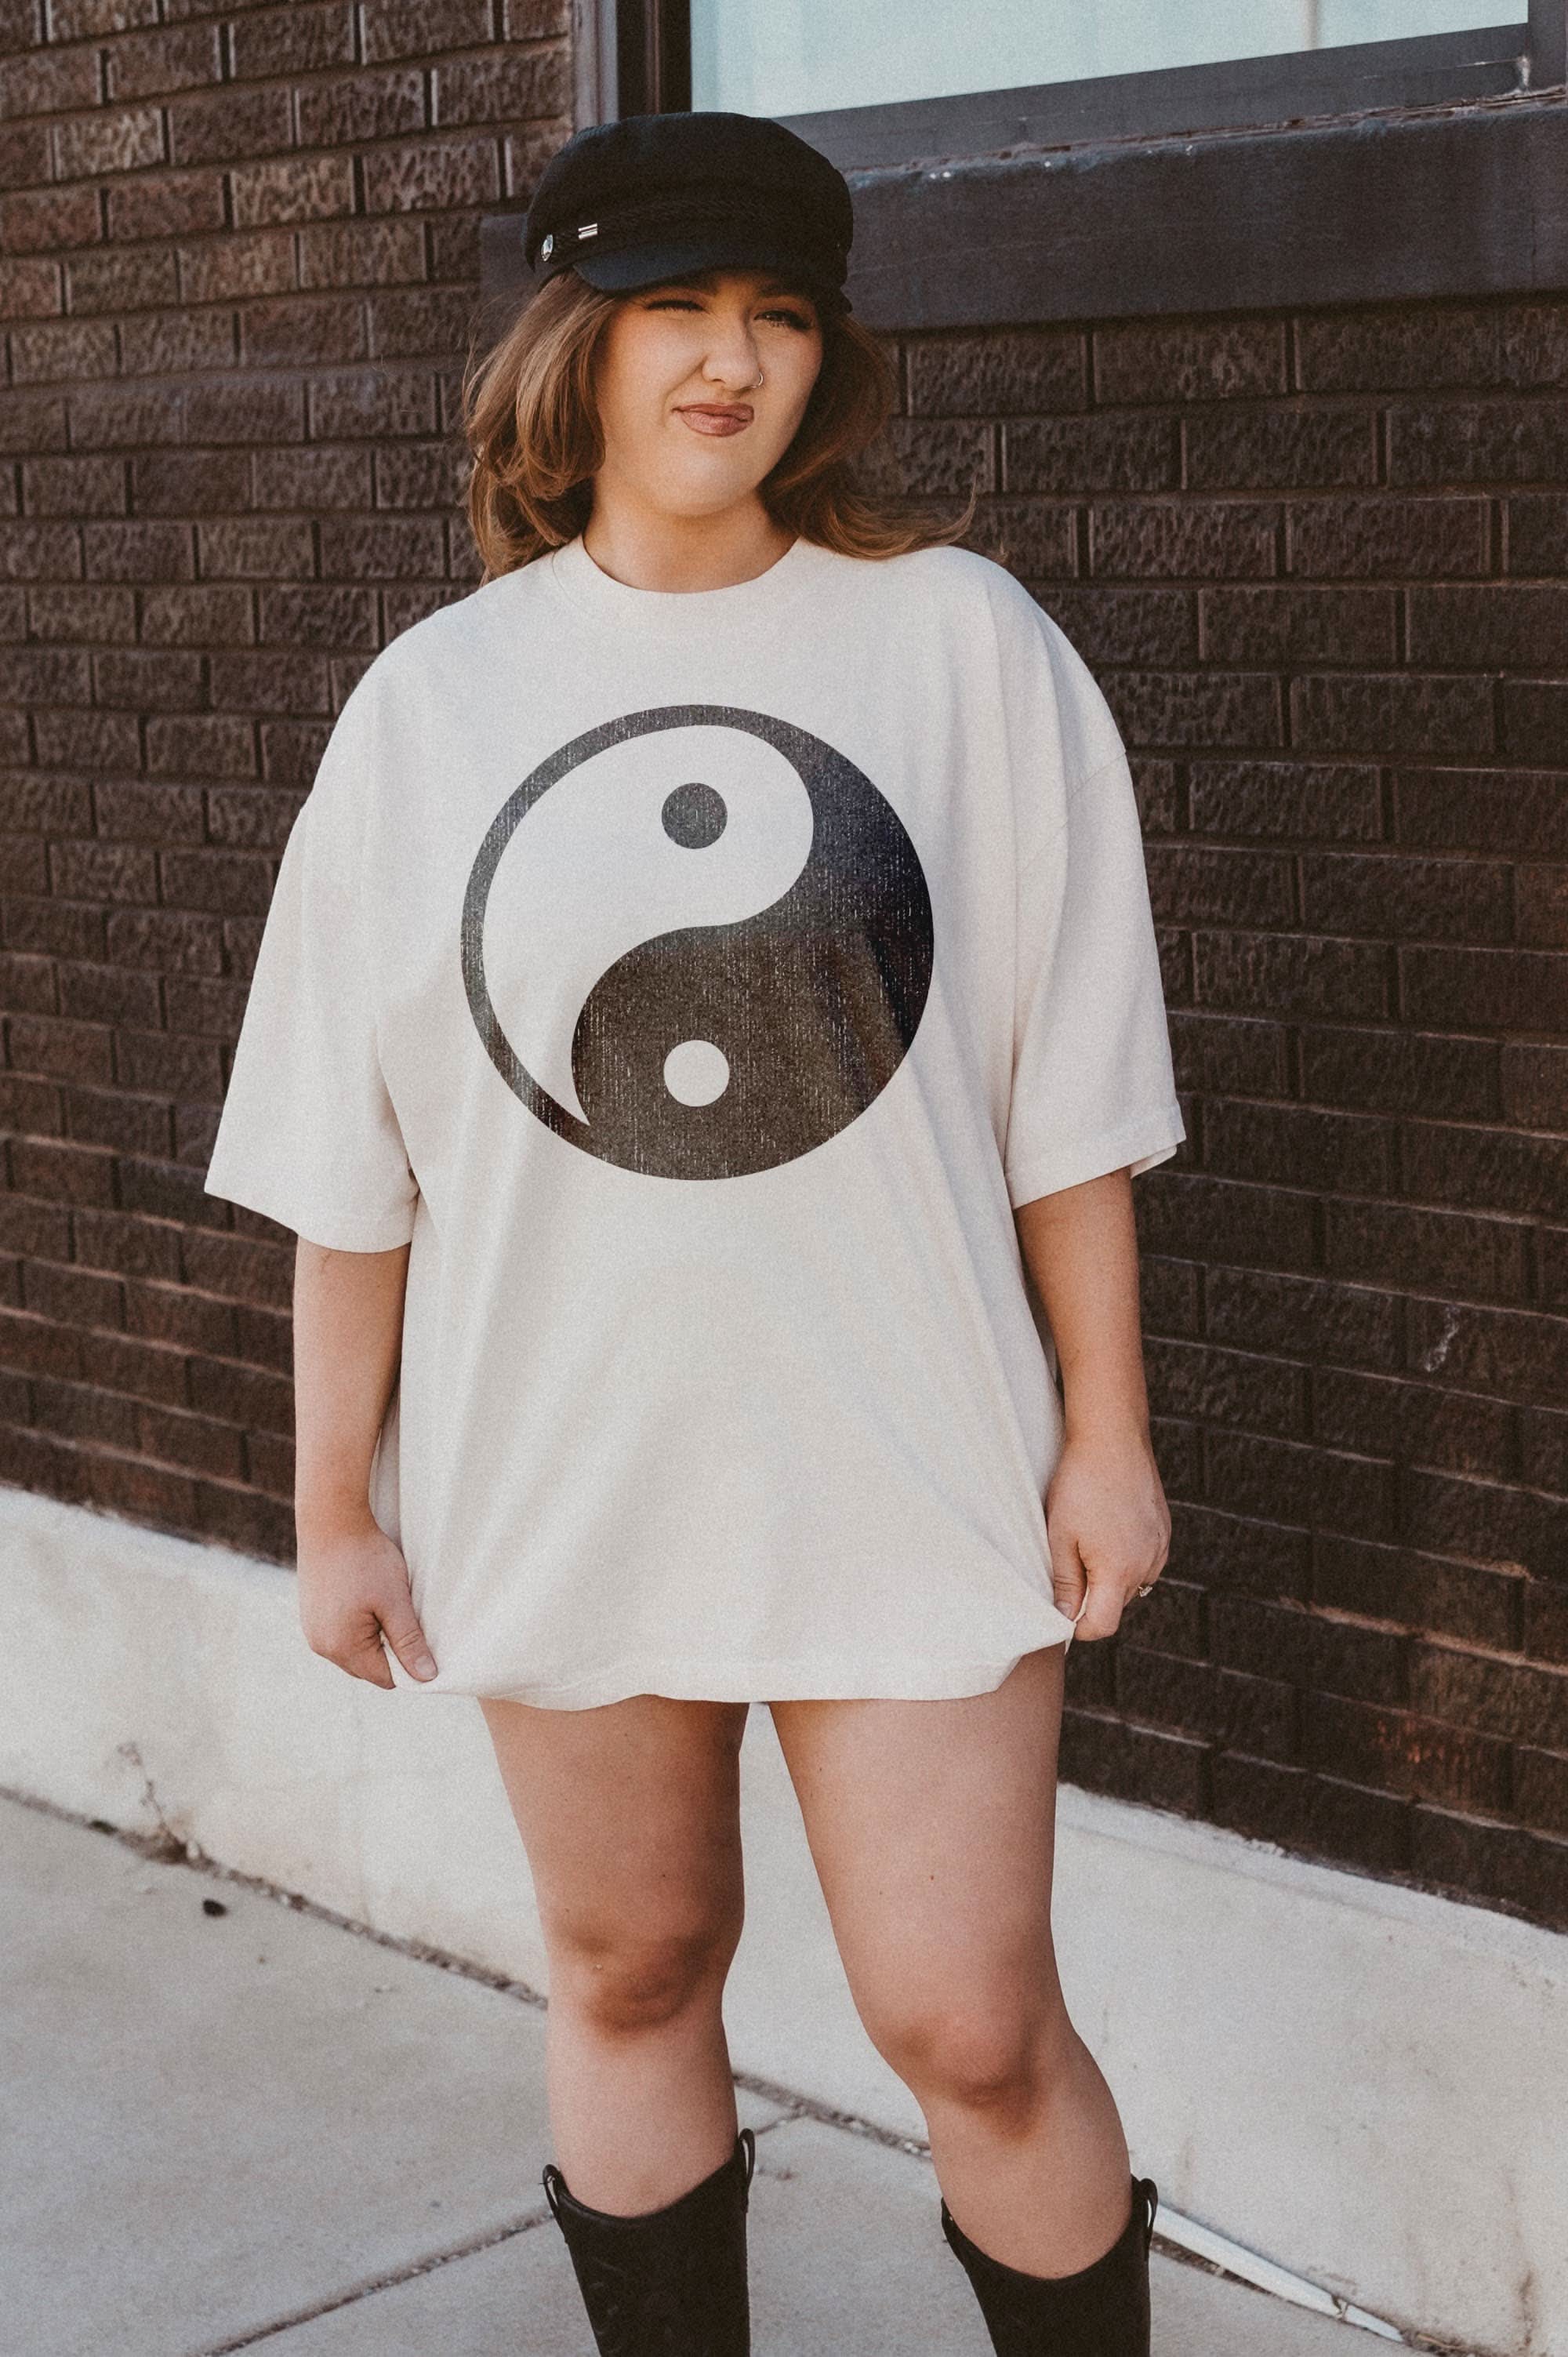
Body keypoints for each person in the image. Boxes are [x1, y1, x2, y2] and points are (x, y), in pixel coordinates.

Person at [204, 106, 1185, 2357]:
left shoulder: (961, 648)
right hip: (561, 1449)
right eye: (676, 314)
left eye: (774, 319)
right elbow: (355, 1157)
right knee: (634, 1969)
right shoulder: (432, 708)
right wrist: (330, 1505)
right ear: (580, 347)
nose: (729, 364)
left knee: (969, 2023)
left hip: (913, 1440)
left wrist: (1102, 1430)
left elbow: (1071, 1095)